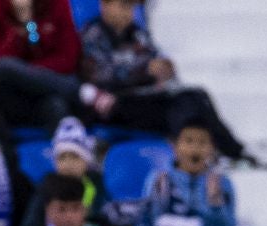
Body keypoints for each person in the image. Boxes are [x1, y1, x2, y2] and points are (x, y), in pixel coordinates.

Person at [78, 0, 255, 162]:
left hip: (146, 97)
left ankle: (229, 152)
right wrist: (144, 70)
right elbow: (100, 73)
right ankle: (198, 155)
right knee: (179, 106)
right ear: (105, 5)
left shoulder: (138, 34)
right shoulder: (93, 35)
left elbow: (154, 58)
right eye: (123, 6)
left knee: (196, 97)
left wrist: (164, 69)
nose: (128, 12)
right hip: (114, 103)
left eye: (131, 7)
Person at [0, 0, 84, 130]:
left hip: (50, 90)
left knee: (56, 104)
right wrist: (20, 28)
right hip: (12, 95)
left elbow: (68, 59)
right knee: (4, 66)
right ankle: (79, 91)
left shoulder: (56, 3)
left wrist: (29, 24)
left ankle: (66, 141)